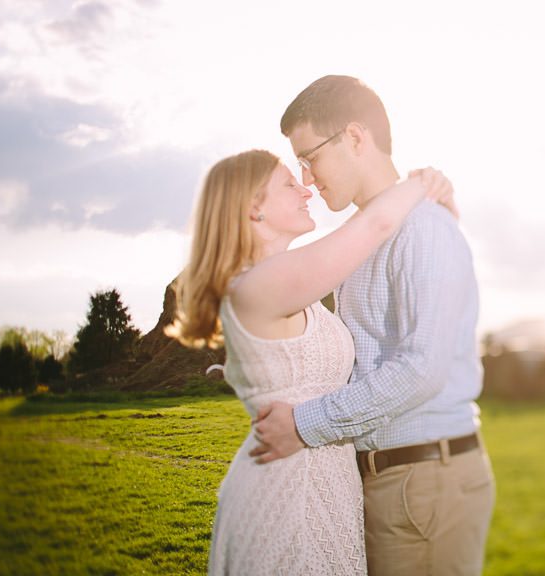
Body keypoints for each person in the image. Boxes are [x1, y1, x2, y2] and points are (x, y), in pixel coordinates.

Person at [251, 75, 495, 575]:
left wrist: (304, 425)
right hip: (399, 478)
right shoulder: (363, 238)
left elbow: (420, 369)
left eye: (310, 156)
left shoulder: (423, 228)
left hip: (422, 479)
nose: (308, 177)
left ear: (356, 137)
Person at [169, 148, 455, 575]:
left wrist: (442, 213)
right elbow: (375, 224)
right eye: (288, 183)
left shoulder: (291, 284)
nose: (306, 190)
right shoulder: (257, 286)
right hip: (287, 493)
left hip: (327, 481)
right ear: (253, 208)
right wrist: (422, 180)